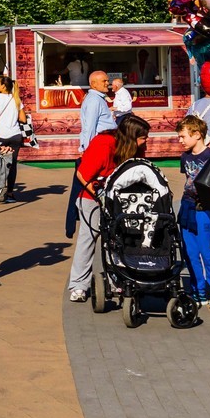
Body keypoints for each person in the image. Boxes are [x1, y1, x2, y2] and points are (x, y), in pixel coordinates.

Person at [68, 112, 150, 302]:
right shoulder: (104, 144)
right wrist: (99, 194)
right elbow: (82, 174)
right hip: (92, 197)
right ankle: (79, 285)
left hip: (122, 199)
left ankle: (119, 280)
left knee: (119, 239)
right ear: (131, 137)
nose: (146, 142)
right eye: (143, 138)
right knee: (88, 238)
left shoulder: (137, 149)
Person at [177, 113, 210, 309]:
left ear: (197, 134)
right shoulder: (185, 157)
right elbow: (187, 179)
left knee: (208, 253)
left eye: (183, 136)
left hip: (204, 209)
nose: (180, 141)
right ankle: (198, 290)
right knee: (189, 252)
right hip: (187, 207)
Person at [0, 73, 26, 199]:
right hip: (15, 134)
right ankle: (10, 192)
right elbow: (23, 119)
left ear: (4, 86)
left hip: (0, 135)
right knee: (12, 164)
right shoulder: (16, 99)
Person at [78, 70, 115, 151]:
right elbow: (90, 126)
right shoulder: (94, 100)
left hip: (104, 142)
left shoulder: (97, 98)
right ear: (94, 84)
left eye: (108, 81)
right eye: (104, 81)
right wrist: (88, 149)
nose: (107, 83)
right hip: (100, 144)